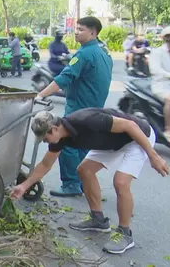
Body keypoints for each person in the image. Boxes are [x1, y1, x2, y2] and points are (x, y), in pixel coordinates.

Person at [11, 108, 169, 254]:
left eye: (45, 138)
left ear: (54, 129)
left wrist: (153, 156)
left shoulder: (87, 120)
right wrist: (24, 186)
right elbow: (45, 164)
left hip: (137, 137)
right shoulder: (59, 138)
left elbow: (130, 125)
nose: (45, 142)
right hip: (111, 143)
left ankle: (125, 234)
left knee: (120, 182)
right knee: (84, 170)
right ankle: (98, 220)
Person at [36, 16, 113, 197]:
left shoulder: (84, 54)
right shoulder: (104, 52)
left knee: (67, 144)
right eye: (76, 29)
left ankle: (71, 184)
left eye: (81, 29)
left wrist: (41, 94)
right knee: (84, 145)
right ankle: (85, 183)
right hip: (95, 108)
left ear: (93, 32)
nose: (76, 32)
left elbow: (64, 78)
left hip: (79, 107)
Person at [149, 26, 170, 143]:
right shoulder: (157, 52)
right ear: (167, 37)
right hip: (162, 84)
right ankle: (169, 128)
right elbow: (155, 70)